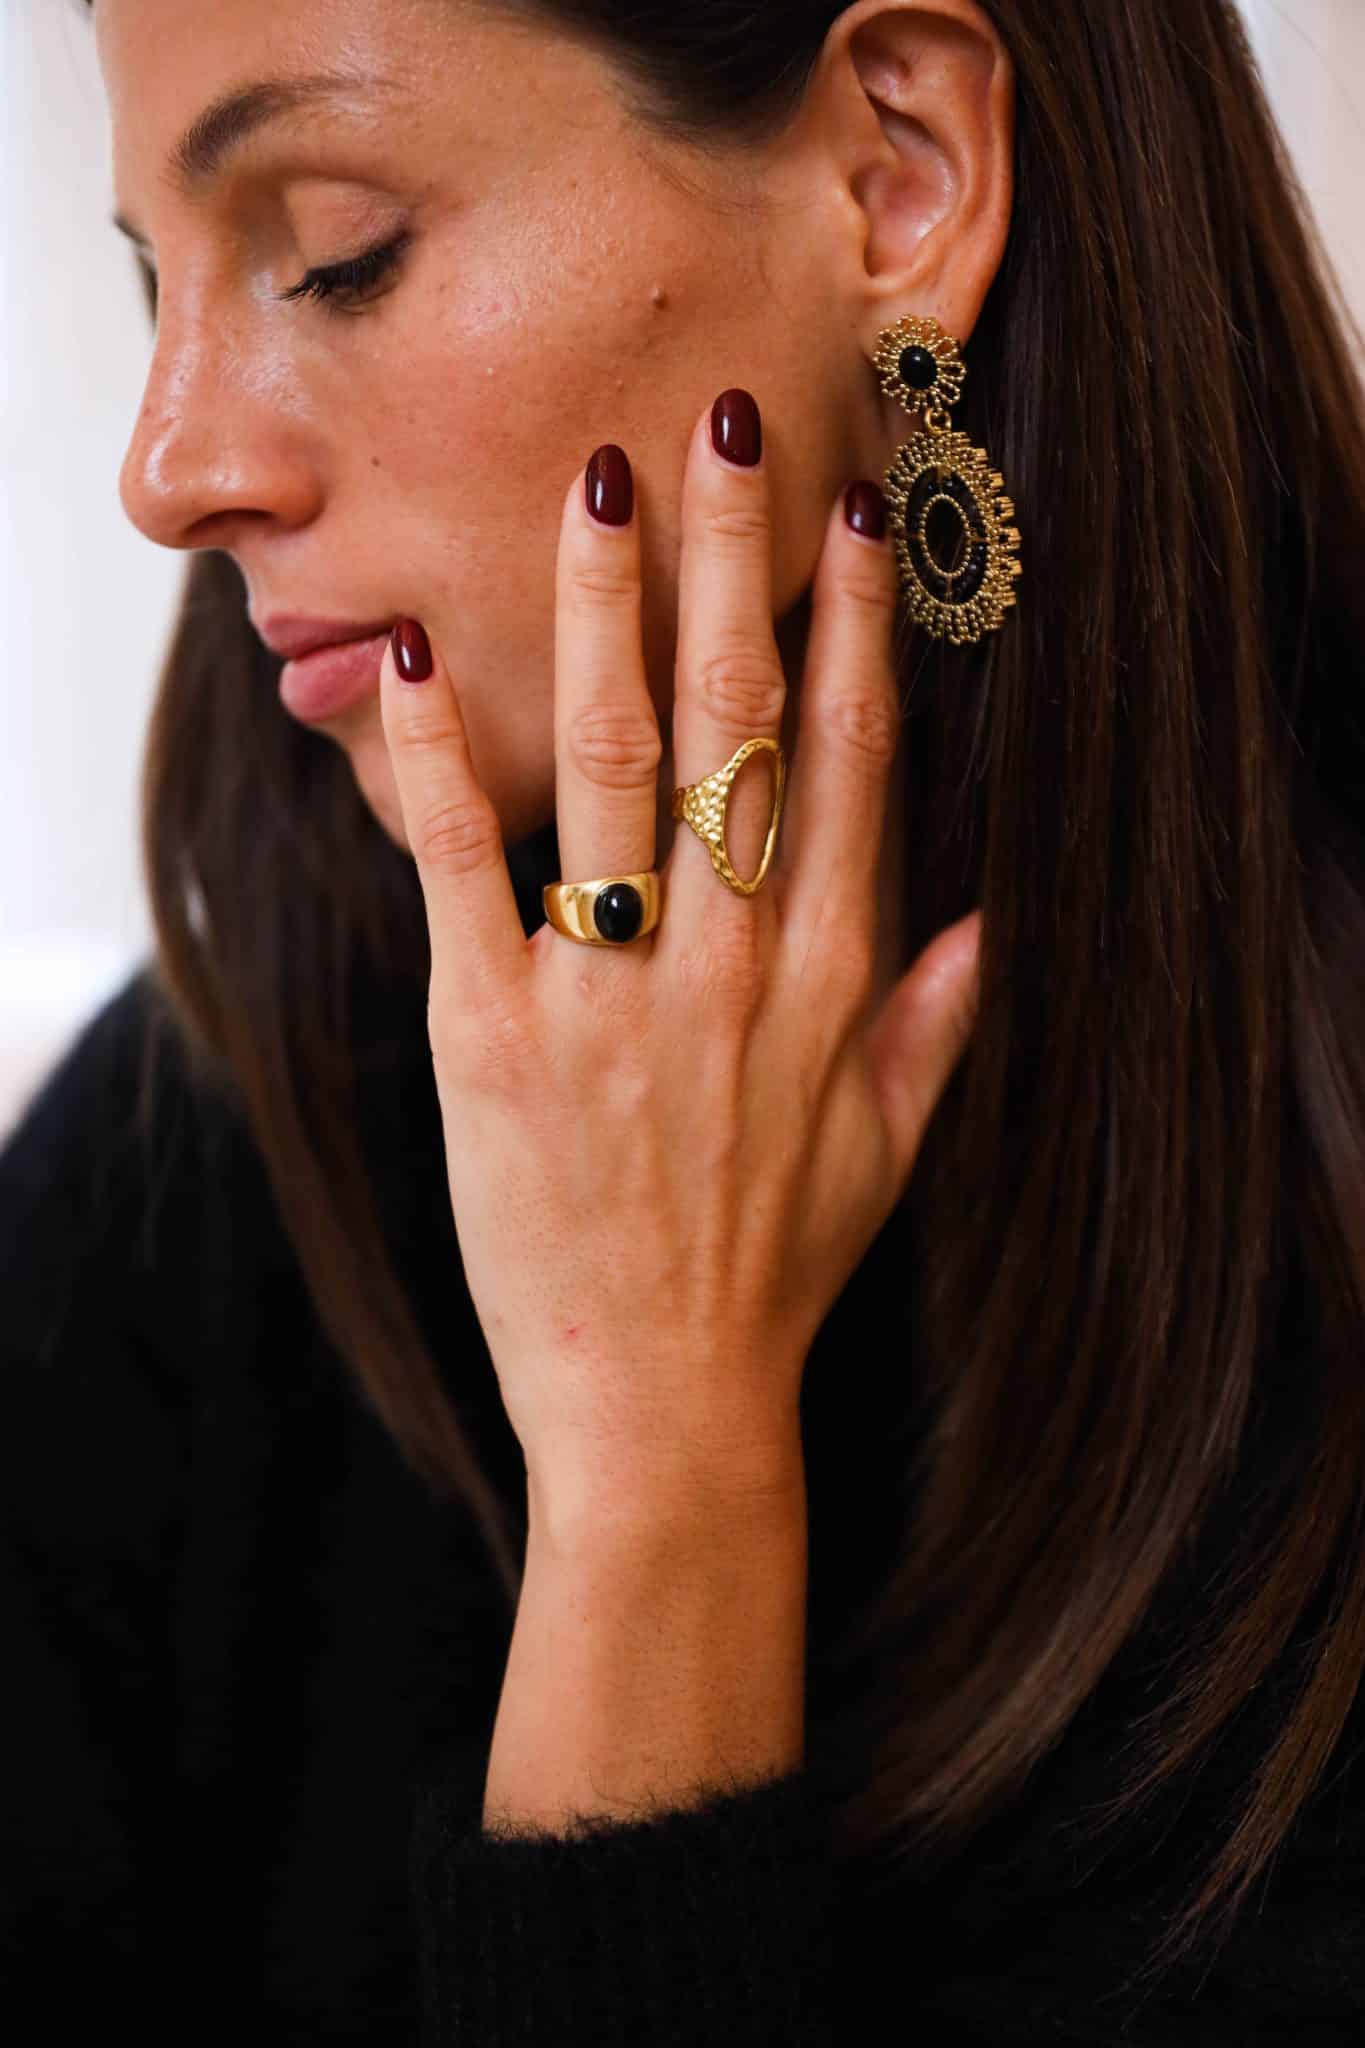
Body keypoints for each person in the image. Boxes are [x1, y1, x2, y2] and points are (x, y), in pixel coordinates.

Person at [4, 0, 1364, 2037]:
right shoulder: (174, 1185)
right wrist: (643, 1470)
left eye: (335, 252)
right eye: (152, 284)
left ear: (895, 176)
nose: (169, 468)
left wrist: (660, 1487)